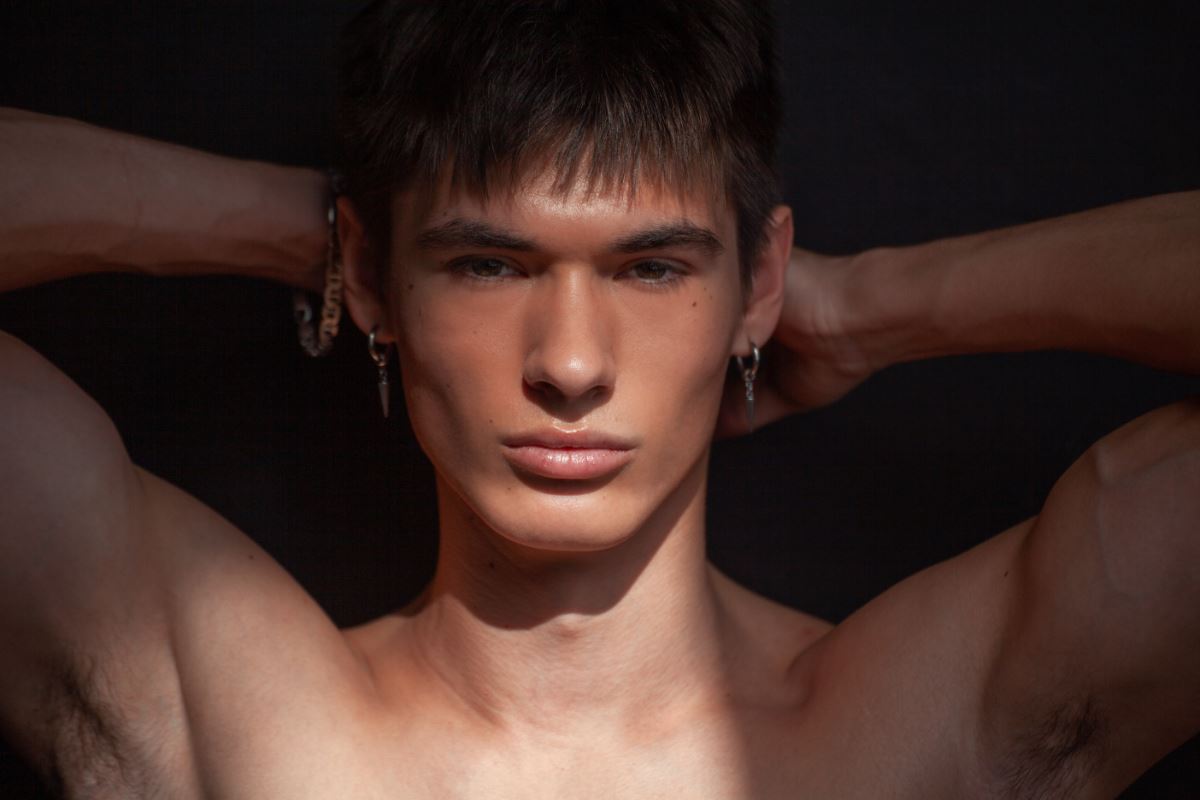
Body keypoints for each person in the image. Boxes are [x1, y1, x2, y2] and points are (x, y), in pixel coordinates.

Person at [1, 0, 1197, 797]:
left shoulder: (937, 724)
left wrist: (870, 304)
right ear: (373, 273)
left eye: (652, 268)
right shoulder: (240, 721)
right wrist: (319, 235)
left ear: (756, 281)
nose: (571, 365)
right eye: (488, 264)